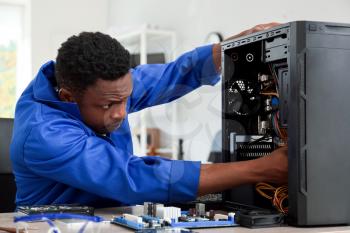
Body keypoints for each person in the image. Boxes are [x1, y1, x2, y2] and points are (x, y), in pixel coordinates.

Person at [10, 23, 287, 208]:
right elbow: (132, 177)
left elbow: (175, 74)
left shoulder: (109, 89)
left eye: (125, 99)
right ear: (69, 96)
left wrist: (229, 49)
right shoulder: (43, 132)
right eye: (108, 105)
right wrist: (260, 168)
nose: (120, 112)